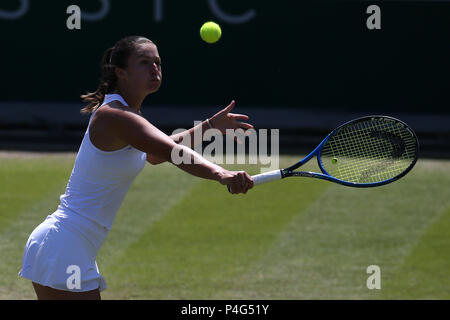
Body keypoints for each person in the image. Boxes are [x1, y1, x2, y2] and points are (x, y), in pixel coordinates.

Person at [18, 35, 254, 300]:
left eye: (157, 62)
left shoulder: (126, 115)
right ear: (121, 73)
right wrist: (221, 173)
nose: (154, 68)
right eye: (144, 62)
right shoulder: (116, 116)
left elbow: (155, 154)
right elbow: (172, 152)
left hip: (62, 244)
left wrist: (209, 125)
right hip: (65, 246)